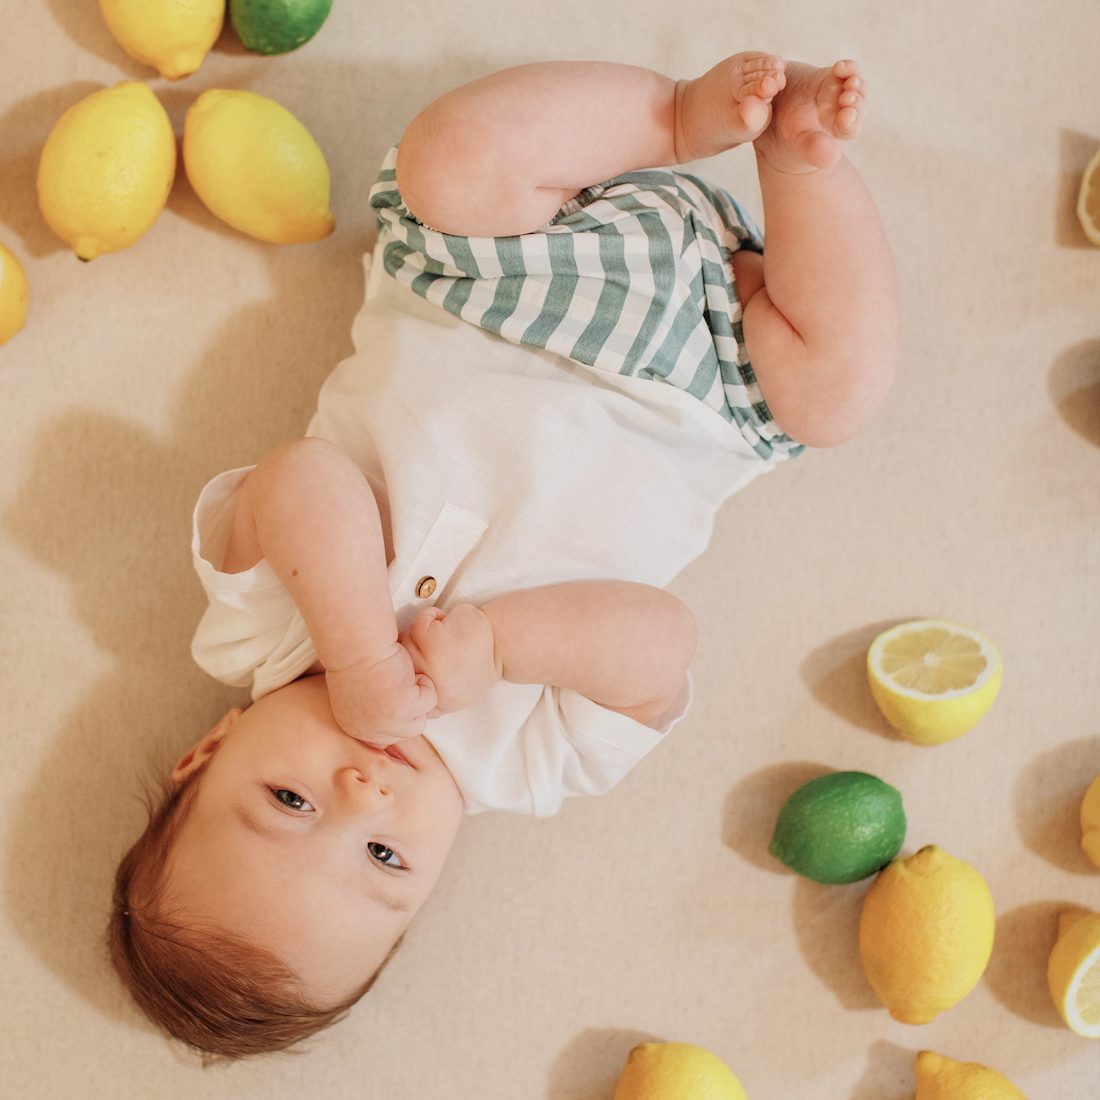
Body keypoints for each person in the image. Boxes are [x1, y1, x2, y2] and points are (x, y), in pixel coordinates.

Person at [108, 52, 899, 1060]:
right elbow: (661, 645)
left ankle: (674, 118)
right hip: (713, 378)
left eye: (289, 800)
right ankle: (802, 163)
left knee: (451, 156)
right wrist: (496, 644)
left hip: (500, 271)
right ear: (430, 878)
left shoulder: (254, 629)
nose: (360, 795)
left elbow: (301, 475)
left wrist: (356, 653)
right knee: (837, 390)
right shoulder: (528, 764)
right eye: (384, 855)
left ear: (208, 750)